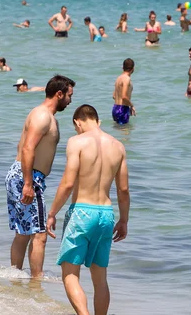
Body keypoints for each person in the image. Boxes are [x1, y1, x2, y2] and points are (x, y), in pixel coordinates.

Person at [46, 104, 130, 315]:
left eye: (76, 128)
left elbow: (67, 183)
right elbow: (123, 189)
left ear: (78, 122)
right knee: (100, 278)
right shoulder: (118, 146)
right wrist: (124, 220)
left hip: (82, 213)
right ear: (98, 120)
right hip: (106, 215)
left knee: (69, 273)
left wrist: (51, 213)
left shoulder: (77, 142)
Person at [5, 75, 75, 278]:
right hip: (28, 176)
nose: (70, 101)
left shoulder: (44, 115)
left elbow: (22, 146)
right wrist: (28, 182)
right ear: (59, 94)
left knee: (24, 232)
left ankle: (15, 278)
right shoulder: (43, 116)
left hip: (23, 174)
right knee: (39, 234)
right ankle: (36, 281)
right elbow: (27, 148)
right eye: (69, 96)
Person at [112, 59, 136, 125]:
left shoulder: (118, 78)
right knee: (125, 133)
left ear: (123, 67)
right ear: (133, 68)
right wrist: (132, 105)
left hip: (115, 108)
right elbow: (124, 97)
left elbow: (114, 96)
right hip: (122, 109)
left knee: (119, 131)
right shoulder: (126, 79)